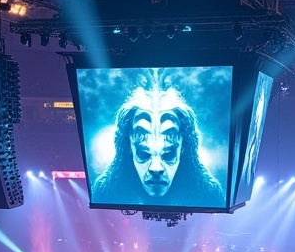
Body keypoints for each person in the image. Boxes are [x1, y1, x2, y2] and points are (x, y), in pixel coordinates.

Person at [90, 68, 225, 207]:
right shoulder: (104, 192)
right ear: (128, 146)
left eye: (168, 154)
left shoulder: (209, 194)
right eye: (143, 154)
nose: (156, 168)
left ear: (184, 147)